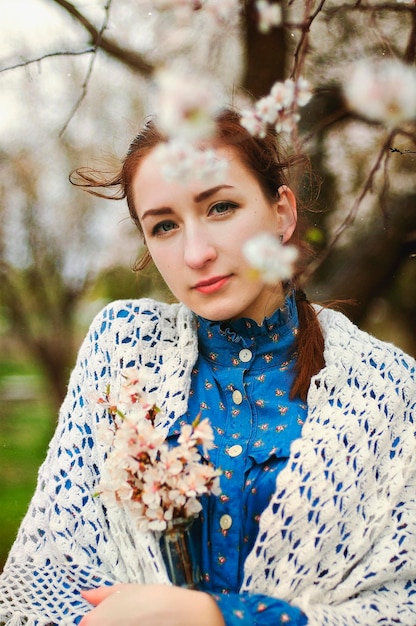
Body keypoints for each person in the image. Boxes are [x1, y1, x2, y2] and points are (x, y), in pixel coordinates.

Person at [1, 108, 415, 626]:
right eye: (165, 225)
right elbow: (44, 575)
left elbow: (401, 603)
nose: (196, 253)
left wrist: (217, 616)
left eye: (220, 207)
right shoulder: (123, 350)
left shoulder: (388, 388)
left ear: (282, 213)